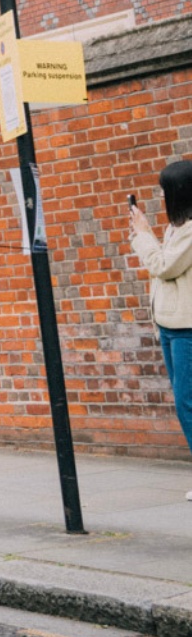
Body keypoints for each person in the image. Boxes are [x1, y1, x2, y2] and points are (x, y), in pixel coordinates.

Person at [129, 159, 192, 498]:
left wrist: (142, 234)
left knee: (187, 403)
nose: (162, 197)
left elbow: (163, 266)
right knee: (186, 402)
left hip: (187, 330)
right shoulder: (176, 230)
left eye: (164, 191)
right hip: (170, 326)